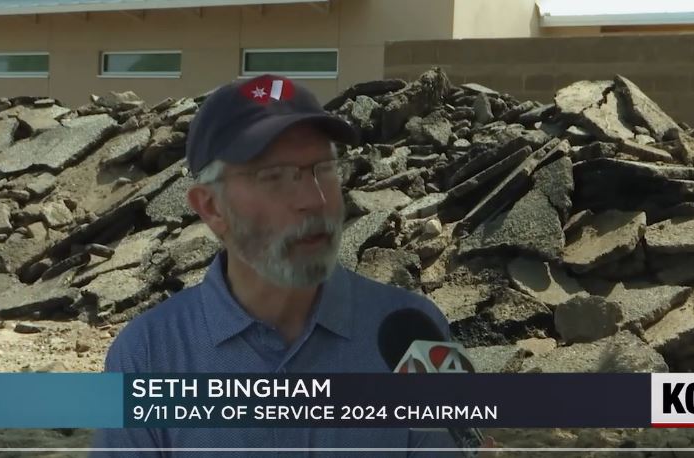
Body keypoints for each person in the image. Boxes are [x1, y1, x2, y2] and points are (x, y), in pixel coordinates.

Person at [90, 74, 463, 457]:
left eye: (325, 169)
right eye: (275, 177)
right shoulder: (147, 357)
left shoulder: (415, 334)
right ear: (212, 207)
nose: (314, 200)